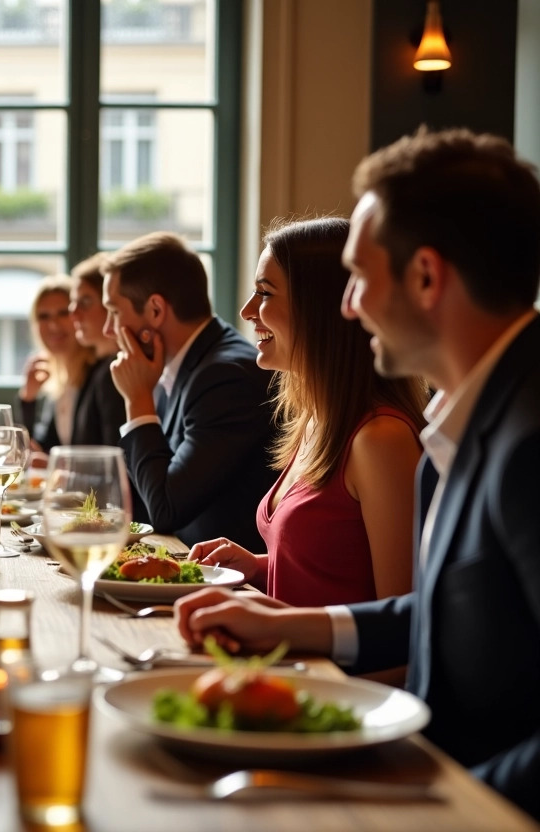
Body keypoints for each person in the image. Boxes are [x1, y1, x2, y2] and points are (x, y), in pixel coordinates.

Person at [175, 128, 540, 820]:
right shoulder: (471, 417)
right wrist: (290, 625)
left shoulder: (528, 441)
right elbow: (438, 614)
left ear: (427, 277)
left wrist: (442, 802)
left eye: (362, 277)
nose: (346, 305)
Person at [189, 218, 428, 606]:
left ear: (319, 308)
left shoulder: (381, 440)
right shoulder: (316, 420)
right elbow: (337, 571)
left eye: (264, 294)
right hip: (287, 660)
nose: (247, 311)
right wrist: (259, 565)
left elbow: (399, 626)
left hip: (328, 668)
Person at [102, 232, 276, 550]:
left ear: (155, 310)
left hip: (228, 587)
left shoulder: (224, 377)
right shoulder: (181, 363)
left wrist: (137, 400)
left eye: (114, 312)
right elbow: (141, 494)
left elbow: (166, 509)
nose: (108, 330)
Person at [16, 274, 94, 452]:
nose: (53, 325)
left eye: (63, 313)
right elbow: (40, 447)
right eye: (43, 316)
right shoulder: (60, 378)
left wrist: (53, 465)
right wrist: (28, 397)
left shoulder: (97, 374)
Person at [63, 253, 127, 447]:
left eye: (85, 302)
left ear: (110, 303)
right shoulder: (94, 368)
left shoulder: (116, 372)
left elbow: (114, 460)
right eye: (73, 302)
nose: (73, 313)